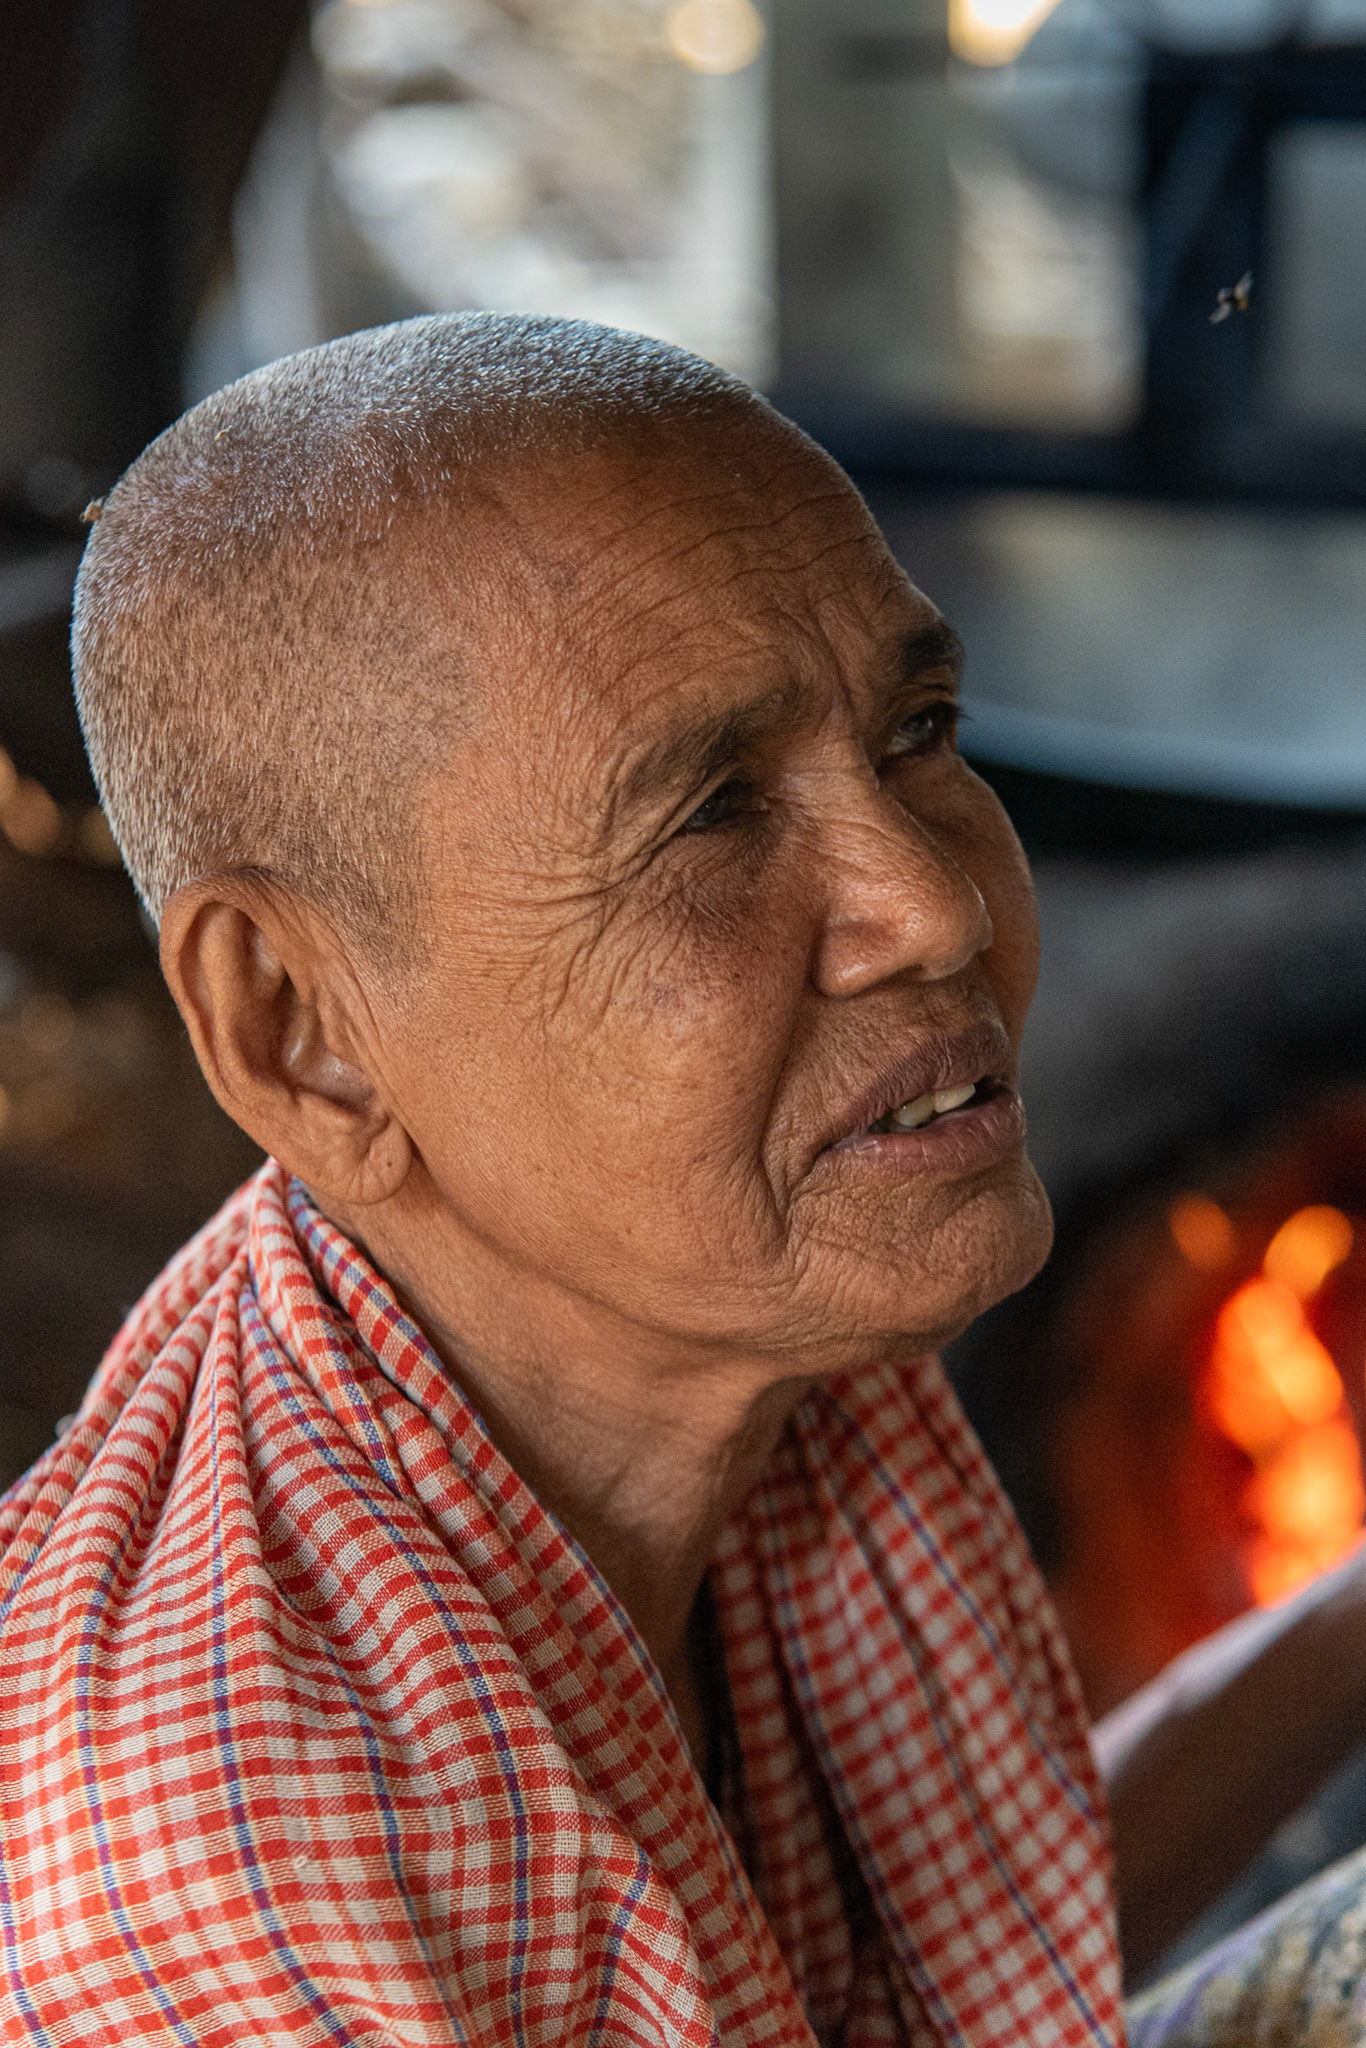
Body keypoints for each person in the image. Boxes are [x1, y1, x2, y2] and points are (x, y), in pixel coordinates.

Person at [1, 312, 1364, 2047]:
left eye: (917, 730)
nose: (929, 906)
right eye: (710, 814)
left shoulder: (666, 1306)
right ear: (300, 1034)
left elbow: (951, 1959)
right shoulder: (253, 1906)